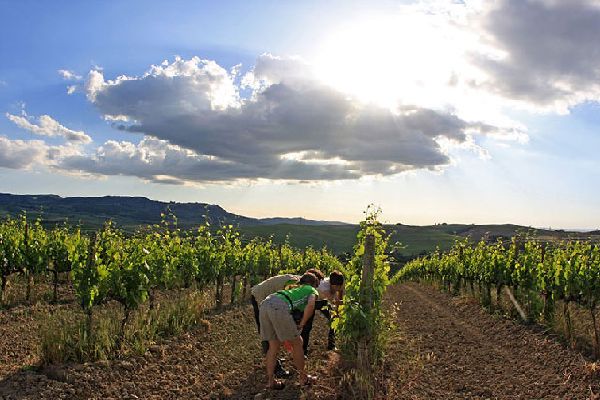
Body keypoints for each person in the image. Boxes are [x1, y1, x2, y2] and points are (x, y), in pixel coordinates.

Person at [259, 272, 319, 390]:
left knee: (273, 346)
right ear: (313, 284)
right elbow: (311, 305)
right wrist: (302, 324)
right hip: (278, 305)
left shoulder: (295, 289)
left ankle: (271, 381)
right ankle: (303, 378)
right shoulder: (311, 289)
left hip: (265, 304)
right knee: (298, 343)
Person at [250, 273, 299, 377]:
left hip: (268, 299)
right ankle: (276, 368)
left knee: (273, 333)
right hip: (260, 297)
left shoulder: (297, 281)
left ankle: (273, 358)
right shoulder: (293, 283)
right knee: (268, 333)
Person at [301, 270, 345, 355]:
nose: (339, 289)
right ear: (333, 285)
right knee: (307, 325)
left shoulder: (336, 281)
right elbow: (335, 301)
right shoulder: (324, 289)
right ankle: (303, 351)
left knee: (334, 319)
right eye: (337, 287)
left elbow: (340, 292)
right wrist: (349, 303)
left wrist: (337, 312)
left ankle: (331, 345)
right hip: (310, 300)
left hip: (321, 301)